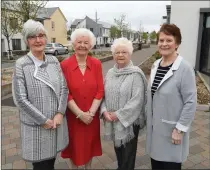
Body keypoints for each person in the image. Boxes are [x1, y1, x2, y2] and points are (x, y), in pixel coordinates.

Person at [12, 19, 69, 170]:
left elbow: (64, 88)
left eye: (41, 35)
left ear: (46, 38)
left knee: (51, 162)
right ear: (26, 41)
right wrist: (43, 120)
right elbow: (20, 99)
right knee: (41, 165)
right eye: (32, 37)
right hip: (37, 126)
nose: (38, 40)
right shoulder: (21, 64)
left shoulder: (53, 61)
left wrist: (59, 113)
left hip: (55, 123)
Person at [146, 24, 197, 169]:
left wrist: (179, 129)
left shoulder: (184, 68)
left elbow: (191, 102)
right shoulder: (156, 64)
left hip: (172, 132)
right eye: (161, 40)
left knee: (170, 165)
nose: (164, 44)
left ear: (177, 43)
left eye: (169, 40)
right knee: (156, 164)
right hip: (156, 130)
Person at [100, 37, 147, 170]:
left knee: (128, 158)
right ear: (113, 54)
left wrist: (117, 115)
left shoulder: (136, 74)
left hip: (129, 123)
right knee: (119, 154)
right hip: (113, 121)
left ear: (130, 53)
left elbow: (137, 101)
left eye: (124, 52)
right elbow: (102, 94)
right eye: (117, 52)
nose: (120, 55)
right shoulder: (110, 73)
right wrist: (104, 112)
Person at [60, 28, 104, 169]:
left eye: (86, 42)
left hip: (92, 117)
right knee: (75, 147)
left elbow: (100, 90)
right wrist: (80, 114)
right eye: (79, 42)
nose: (82, 45)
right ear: (73, 44)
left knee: (90, 145)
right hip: (74, 117)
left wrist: (90, 113)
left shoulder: (96, 64)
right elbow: (65, 92)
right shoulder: (65, 65)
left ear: (90, 45)